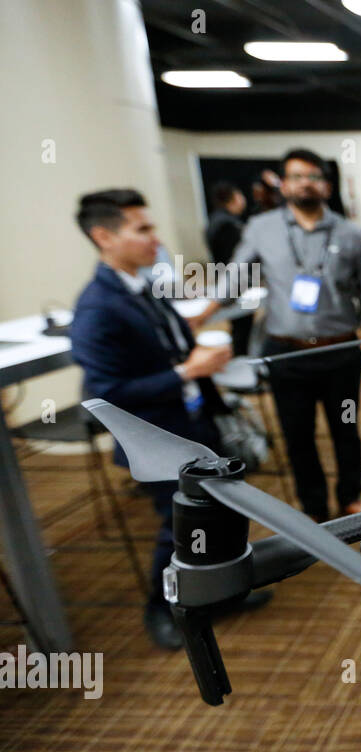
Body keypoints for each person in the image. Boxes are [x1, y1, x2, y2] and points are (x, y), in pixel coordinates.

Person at [68, 189, 236, 649]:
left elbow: (170, 342)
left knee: (214, 513)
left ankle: (219, 592)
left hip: (188, 419)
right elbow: (106, 394)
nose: (155, 239)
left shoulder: (140, 285)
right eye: (142, 230)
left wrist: (193, 355)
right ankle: (163, 610)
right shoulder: (97, 306)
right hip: (152, 436)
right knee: (178, 527)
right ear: (103, 236)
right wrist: (188, 369)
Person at [224, 148, 361, 522]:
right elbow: (231, 280)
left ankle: (349, 496)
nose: (305, 183)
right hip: (285, 354)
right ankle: (313, 509)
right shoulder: (262, 228)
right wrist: (197, 315)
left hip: (341, 351)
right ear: (283, 183)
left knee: (346, 427)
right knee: (298, 436)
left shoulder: (350, 233)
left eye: (313, 176)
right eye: (296, 176)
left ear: (326, 185)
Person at [204, 182, 252, 354]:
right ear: (234, 198)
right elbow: (236, 260)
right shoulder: (227, 225)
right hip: (235, 283)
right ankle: (240, 359)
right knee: (242, 324)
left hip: (226, 279)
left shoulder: (215, 220)